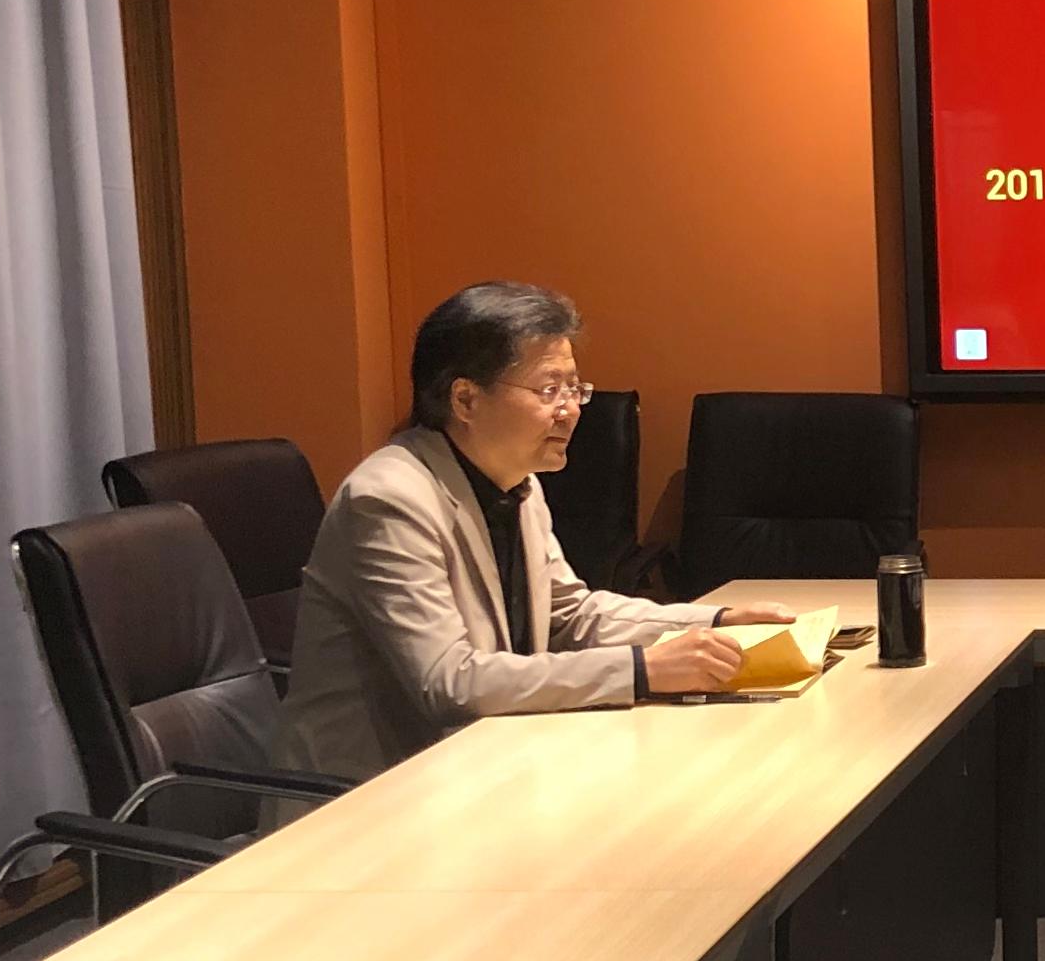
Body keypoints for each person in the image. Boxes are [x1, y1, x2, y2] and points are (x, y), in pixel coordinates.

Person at [274, 281, 799, 780]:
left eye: (575, 389)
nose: (570, 410)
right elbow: (449, 682)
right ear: (465, 400)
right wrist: (642, 670)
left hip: (488, 765)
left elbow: (570, 615)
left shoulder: (516, 483)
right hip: (371, 798)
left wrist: (715, 621)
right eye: (549, 389)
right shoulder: (389, 499)